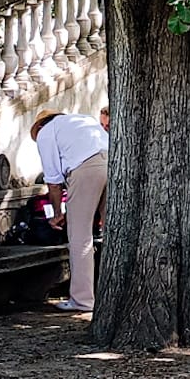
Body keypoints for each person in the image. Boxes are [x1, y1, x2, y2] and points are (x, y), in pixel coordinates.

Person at [32, 108, 107, 314]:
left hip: (86, 170)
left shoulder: (46, 132)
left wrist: (57, 214)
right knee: (114, 233)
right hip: (111, 161)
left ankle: (82, 300)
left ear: (40, 125)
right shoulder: (81, 119)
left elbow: (53, 181)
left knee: (80, 236)